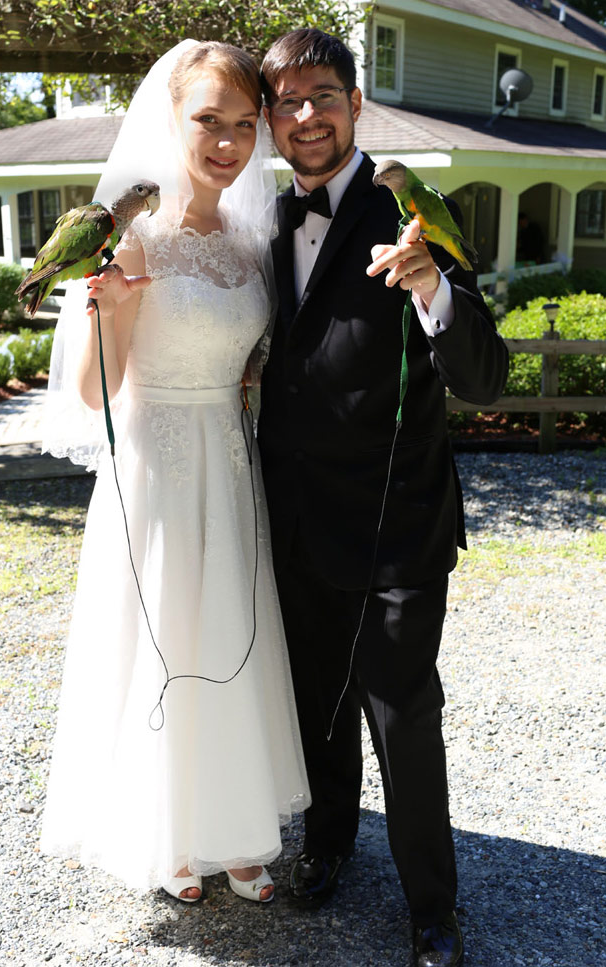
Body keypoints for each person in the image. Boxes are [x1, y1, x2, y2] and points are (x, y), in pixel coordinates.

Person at [257, 28, 509, 966]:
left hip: (398, 527)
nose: (306, 116)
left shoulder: (408, 212)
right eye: (286, 101)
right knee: (317, 704)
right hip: (293, 527)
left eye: (323, 95)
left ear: (356, 104)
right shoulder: (262, 218)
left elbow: (485, 375)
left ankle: (432, 906)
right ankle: (327, 844)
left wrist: (433, 286)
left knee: (404, 719)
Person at [39, 39, 310, 906]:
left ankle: (234, 824)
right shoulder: (136, 239)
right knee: (166, 639)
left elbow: (252, 350)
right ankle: (171, 831)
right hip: (156, 465)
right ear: (171, 120)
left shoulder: (250, 240)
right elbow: (94, 390)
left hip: (230, 468)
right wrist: (112, 312)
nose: (228, 142)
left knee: (228, 632)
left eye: (242, 125)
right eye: (208, 121)